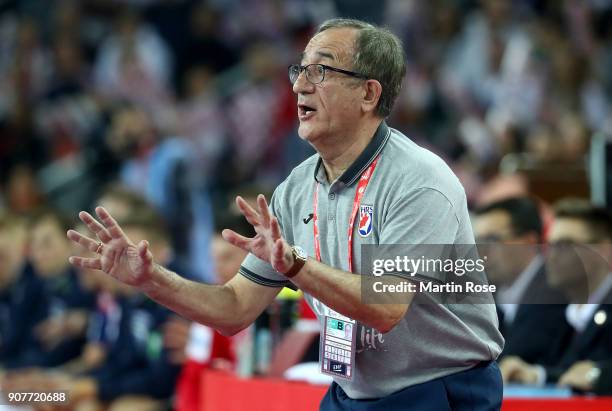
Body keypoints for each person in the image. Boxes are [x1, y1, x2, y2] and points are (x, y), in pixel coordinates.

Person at [68, 18, 504, 410]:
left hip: (440, 391)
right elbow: (236, 307)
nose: (298, 86)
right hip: (353, 393)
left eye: (322, 71)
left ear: (369, 93)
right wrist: (150, 279)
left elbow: (386, 306)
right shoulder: (295, 189)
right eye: (300, 70)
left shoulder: (419, 180)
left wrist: (295, 264)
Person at [500, 199, 612, 389]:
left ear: (604, 249)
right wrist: (537, 374)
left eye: (564, 245)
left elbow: (589, 372)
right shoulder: (566, 313)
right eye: (549, 245)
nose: (551, 255)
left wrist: (598, 374)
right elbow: (573, 374)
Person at [473, 197, 569, 365]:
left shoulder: (555, 290)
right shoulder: (488, 292)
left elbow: (515, 356)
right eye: (477, 242)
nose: (481, 252)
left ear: (529, 242)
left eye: (492, 240)